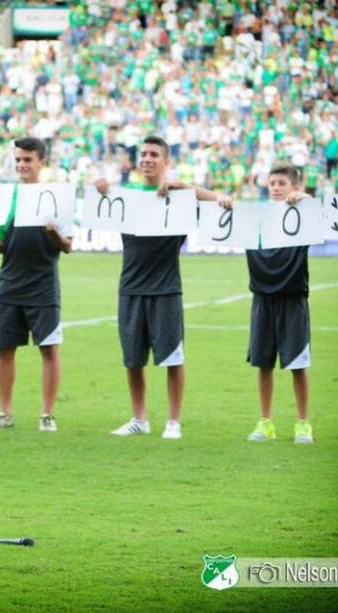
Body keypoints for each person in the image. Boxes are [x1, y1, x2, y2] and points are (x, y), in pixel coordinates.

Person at [95, 136, 230, 440]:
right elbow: (96, 204)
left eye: (154, 154)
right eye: (143, 154)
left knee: (173, 357)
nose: (147, 159)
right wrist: (99, 188)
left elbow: (221, 201)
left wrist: (183, 187)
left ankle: (173, 422)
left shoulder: (180, 198)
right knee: (132, 359)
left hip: (166, 289)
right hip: (130, 288)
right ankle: (139, 419)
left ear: (166, 162)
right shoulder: (126, 195)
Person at [0, 137, 73, 432]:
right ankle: (4, 413)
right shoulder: (8, 197)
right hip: (9, 283)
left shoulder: (56, 196)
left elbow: (67, 245)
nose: (21, 165)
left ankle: (47, 414)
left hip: (43, 284)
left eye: (27, 160)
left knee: (48, 348)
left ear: (41, 163)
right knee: (5, 348)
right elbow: (1, 245)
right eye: (18, 160)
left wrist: (54, 233)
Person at [242, 163, 313, 444]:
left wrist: (305, 199)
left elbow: (329, 216)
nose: (275, 188)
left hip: (293, 300)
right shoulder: (257, 217)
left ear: (293, 187)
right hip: (263, 299)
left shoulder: (305, 216)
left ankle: (303, 424)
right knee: (263, 364)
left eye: (282, 183)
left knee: (298, 366)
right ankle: (265, 422)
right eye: (272, 183)